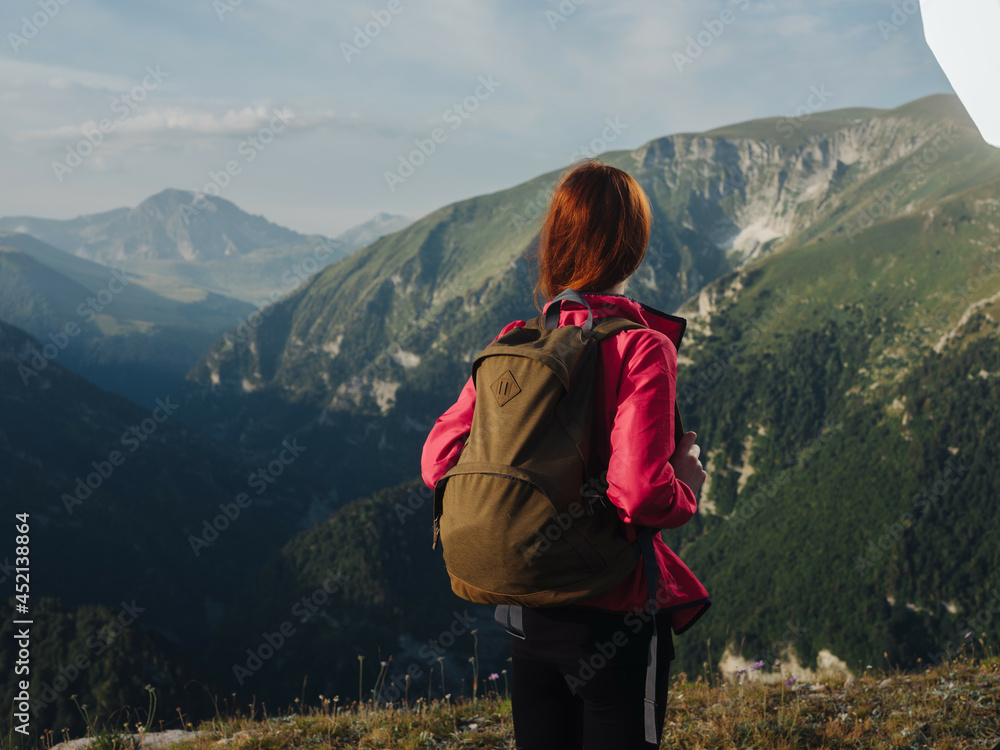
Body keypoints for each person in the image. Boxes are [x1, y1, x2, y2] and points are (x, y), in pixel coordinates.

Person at [420, 158, 710, 749]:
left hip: (527, 611)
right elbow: (640, 493)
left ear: (554, 241)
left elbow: (437, 464)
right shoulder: (642, 347)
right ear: (633, 245)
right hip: (614, 610)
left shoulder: (513, 341)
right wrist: (685, 484)